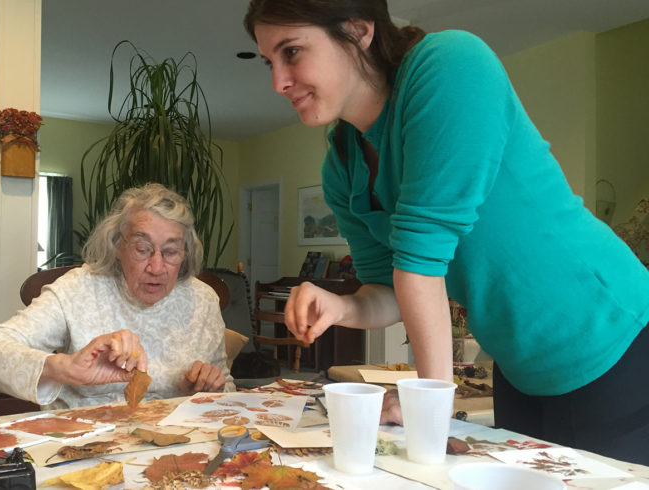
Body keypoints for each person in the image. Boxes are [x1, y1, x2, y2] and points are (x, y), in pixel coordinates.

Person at [244, 0, 649, 464]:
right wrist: (341, 306)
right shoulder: (342, 165)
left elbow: (419, 267)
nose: (278, 82)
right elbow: (390, 291)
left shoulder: (451, 65)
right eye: (269, 62)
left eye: (292, 52)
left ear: (358, 30)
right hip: (516, 369)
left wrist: (428, 410)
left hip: (612, 339)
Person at [0, 183, 235, 410]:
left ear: (185, 253)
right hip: (82, 444)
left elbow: (225, 387)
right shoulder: (79, 290)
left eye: (171, 251)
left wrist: (209, 386)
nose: (156, 267)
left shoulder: (202, 300)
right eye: (142, 248)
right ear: (117, 246)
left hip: (177, 445)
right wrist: (63, 368)